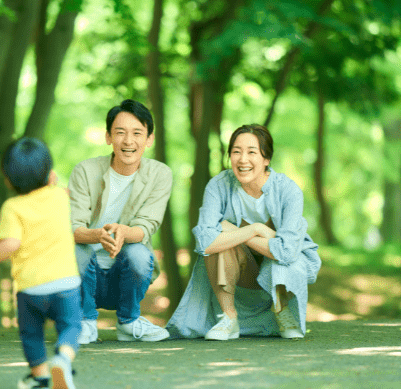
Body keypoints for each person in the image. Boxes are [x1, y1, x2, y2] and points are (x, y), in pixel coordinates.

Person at [166, 124, 321, 340]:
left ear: (266, 159)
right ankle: (229, 318)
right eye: (236, 151)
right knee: (220, 247)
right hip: (240, 271)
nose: (242, 159)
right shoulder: (218, 186)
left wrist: (239, 231)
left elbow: (286, 252)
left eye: (251, 152)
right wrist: (255, 231)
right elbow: (204, 243)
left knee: (281, 255)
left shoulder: (288, 190)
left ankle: (282, 310)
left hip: (280, 270)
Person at [0, 137, 81, 389]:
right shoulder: (60, 196)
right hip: (66, 283)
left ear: (9, 180)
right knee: (71, 326)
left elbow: (11, 244)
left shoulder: (12, 207)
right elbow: (72, 195)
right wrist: (53, 183)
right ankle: (63, 360)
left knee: (31, 334)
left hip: (31, 288)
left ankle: (41, 378)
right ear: (49, 172)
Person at [69, 99, 172, 343]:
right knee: (74, 249)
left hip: (125, 276)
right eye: (120, 133)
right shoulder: (85, 171)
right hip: (84, 275)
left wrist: (123, 232)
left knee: (139, 253)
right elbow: (73, 228)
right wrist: (97, 235)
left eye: (137, 133)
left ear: (149, 139)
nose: (128, 141)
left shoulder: (160, 174)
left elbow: (147, 226)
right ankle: (85, 323)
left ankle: (129, 322)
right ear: (108, 137)